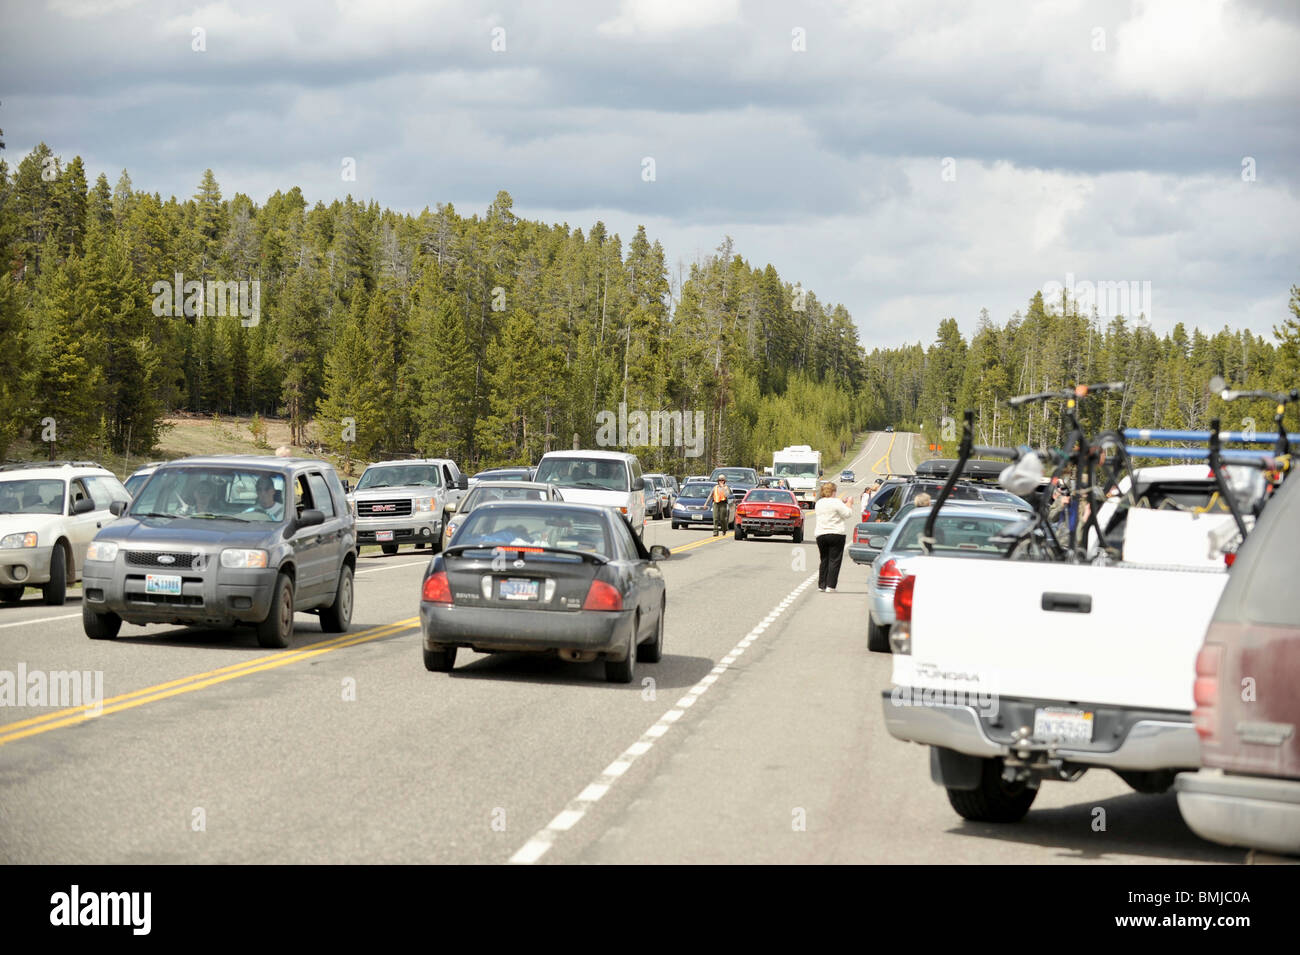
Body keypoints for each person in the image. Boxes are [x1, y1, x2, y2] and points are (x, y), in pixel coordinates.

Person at [814, 481, 855, 593]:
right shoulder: (836, 502)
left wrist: (842, 502)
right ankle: (830, 586)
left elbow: (831, 505)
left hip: (821, 534)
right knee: (834, 560)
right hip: (835, 533)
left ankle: (821, 584)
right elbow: (847, 514)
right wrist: (849, 503)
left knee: (824, 559)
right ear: (833, 492)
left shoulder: (819, 503)